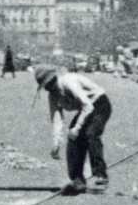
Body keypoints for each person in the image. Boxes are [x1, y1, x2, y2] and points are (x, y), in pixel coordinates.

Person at [37, 65, 112, 195]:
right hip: (85, 110)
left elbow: (87, 106)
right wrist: (56, 144)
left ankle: (100, 174)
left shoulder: (69, 82)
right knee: (73, 139)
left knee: (91, 134)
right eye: (46, 87)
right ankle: (77, 180)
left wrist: (77, 127)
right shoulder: (53, 96)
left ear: (54, 79)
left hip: (99, 104)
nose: (49, 88)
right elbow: (57, 120)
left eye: (50, 83)